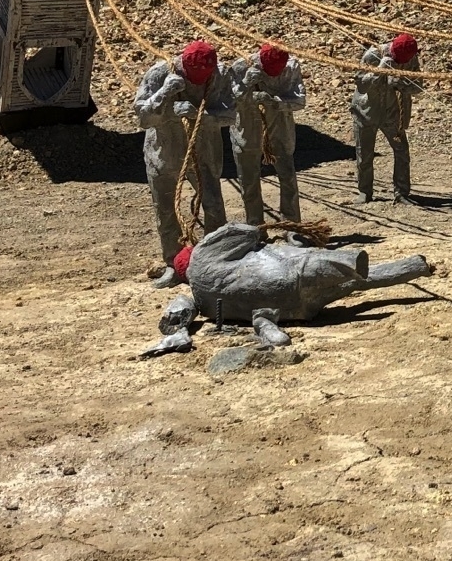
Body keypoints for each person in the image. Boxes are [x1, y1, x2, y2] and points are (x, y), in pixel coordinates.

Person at [163, 226, 432, 349]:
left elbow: (179, 313)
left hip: (291, 309)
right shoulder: (202, 255)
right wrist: (262, 235)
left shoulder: (201, 302)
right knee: (350, 275)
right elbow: (245, 232)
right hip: (286, 271)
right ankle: (408, 266)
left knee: (355, 283)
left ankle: (413, 266)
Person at [135, 39, 235, 287]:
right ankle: (173, 264)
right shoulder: (161, 73)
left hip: (204, 151)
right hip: (164, 153)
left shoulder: (220, 75)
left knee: (213, 205)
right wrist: (166, 92)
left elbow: (229, 115)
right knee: (166, 209)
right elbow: (142, 117)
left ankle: (214, 259)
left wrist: (198, 113)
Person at [230, 42, 306, 225]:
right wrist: (246, 84)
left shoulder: (291, 67)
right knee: (249, 182)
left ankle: (292, 224)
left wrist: (275, 101)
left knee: (287, 178)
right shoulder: (241, 67)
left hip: (279, 130)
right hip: (247, 132)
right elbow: (228, 102)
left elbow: (300, 101)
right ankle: (255, 225)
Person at [351, 33, 420, 203]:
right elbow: (361, 83)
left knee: (402, 151)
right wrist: (380, 71)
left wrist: (400, 83)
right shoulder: (373, 54)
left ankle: (401, 192)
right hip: (366, 111)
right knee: (364, 153)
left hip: (393, 112)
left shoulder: (411, 58)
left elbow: (418, 86)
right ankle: (364, 191)